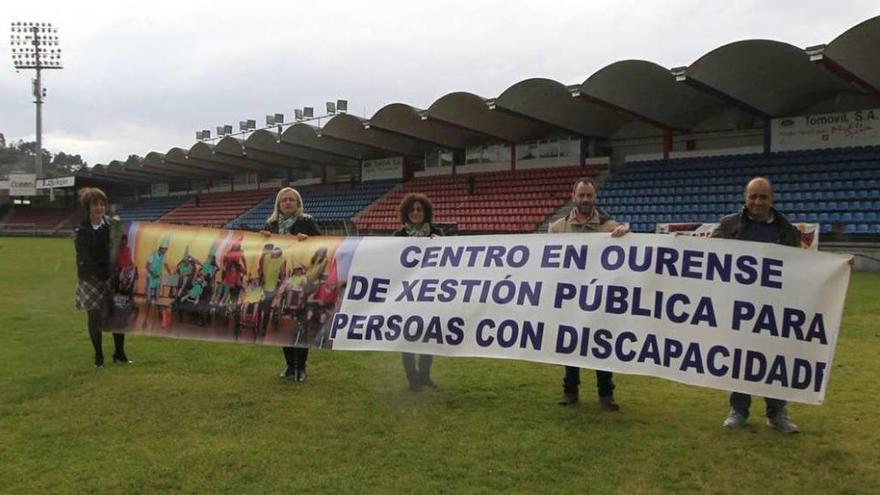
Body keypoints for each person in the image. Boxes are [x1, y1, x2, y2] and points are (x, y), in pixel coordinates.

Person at [712, 177, 801, 434]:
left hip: (774, 309)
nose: (757, 202)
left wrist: (838, 266)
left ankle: (777, 413)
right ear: (745, 197)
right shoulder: (730, 225)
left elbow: (803, 268)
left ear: (771, 199)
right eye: (753, 196)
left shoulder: (786, 230)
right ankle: (739, 410)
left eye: (763, 197)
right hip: (739, 306)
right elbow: (708, 256)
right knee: (740, 360)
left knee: (774, 360)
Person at [549, 178, 628, 410]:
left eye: (589, 195)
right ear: (573, 196)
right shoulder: (557, 228)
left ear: (595, 197)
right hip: (569, 300)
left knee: (601, 347)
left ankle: (606, 394)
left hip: (599, 300)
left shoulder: (609, 227)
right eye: (581, 195)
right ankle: (570, 391)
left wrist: (626, 233)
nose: (585, 200)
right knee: (570, 347)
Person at [262, 187, 320, 382]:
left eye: (291, 200)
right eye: (283, 200)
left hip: (300, 280)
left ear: (298, 203)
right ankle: (289, 365)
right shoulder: (270, 225)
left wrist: (309, 241)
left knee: (300, 322)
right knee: (281, 320)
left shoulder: (307, 222)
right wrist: (262, 240)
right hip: (278, 280)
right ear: (278, 204)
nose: (287, 203)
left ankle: (301, 367)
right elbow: (264, 253)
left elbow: (322, 247)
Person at [74, 187, 132, 367]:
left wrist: (120, 229)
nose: (99, 208)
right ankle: (99, 357)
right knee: (95, 318)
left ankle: (119, 353)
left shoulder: (111, 226)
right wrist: (102, 276)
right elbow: (85, 259)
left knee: (118, 315)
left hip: (111, 276)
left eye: (102, 204)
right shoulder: (81, 231)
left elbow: (120, 248)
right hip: (91, 279)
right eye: (95, 205)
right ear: (88, 207)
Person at [392, 193, 444, 391]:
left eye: (419, 209)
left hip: (431, 295)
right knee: (407, 338)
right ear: (406, 212)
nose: (415, 213)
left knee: (427, 338)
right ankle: (412, 378)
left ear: (426, 212)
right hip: (405, 295)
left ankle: (425, 375)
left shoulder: (437, 234)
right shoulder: (398, 237)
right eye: (412, 209)